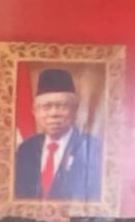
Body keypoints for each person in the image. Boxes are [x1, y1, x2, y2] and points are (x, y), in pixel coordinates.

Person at [11, 67, 104, 203]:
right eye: (46, 107)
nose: (54, 114)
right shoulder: (26, 149)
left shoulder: (93, 148)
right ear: (35, 112)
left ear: (75, 110)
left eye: (62, 106)